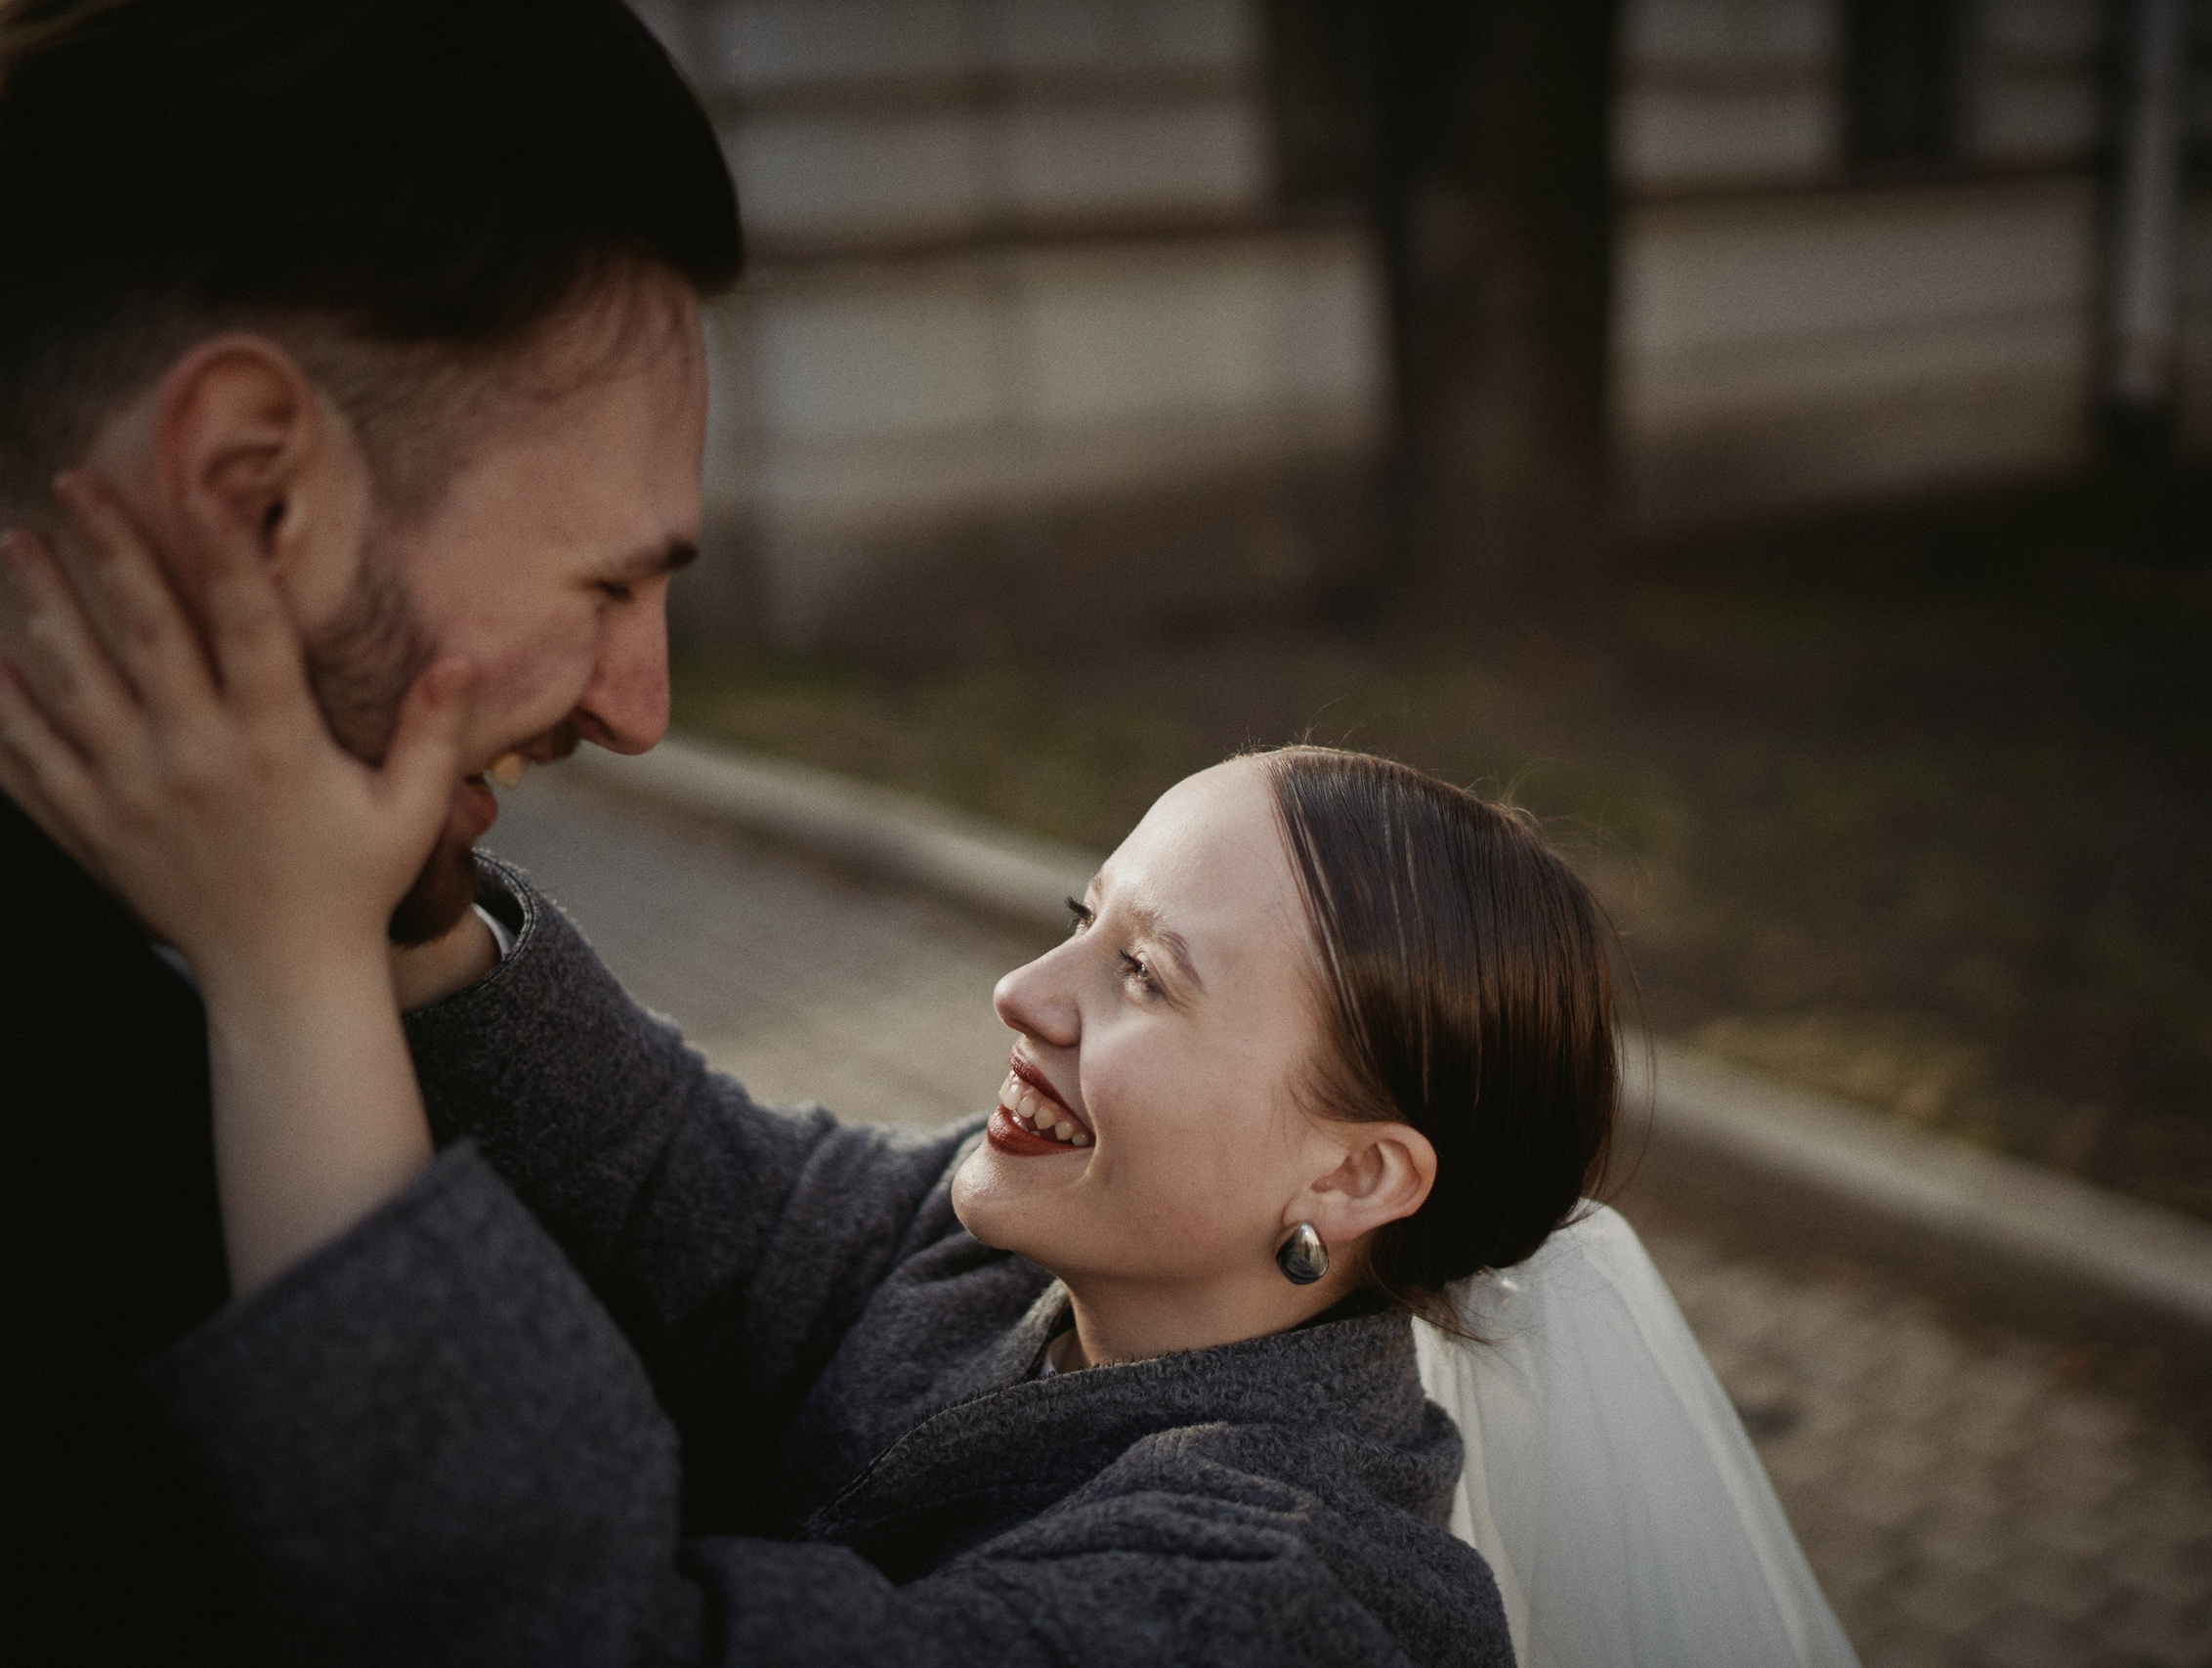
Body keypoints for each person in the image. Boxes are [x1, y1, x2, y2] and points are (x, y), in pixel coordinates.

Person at [0, 474, 1640, 1663]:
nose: (1022, 993)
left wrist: (289, 974)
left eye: (1141, 975)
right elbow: (678, 1174)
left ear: (1355, 1174)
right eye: (1080, 923)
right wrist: (414, 906)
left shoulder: (1287, 1606)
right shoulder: (980, 1247)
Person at [0, 0, 740, 1656]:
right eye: (609, 581)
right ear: (255, 492)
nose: (639, 705)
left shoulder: (187, 975)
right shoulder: (87, 1194)